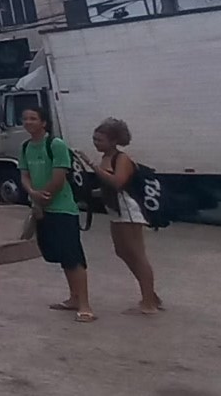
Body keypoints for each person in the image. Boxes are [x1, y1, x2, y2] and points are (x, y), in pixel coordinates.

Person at [20, 106, 93, 322]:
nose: (28, 122)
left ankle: (85, 305)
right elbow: (24, 175)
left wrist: (45, 196)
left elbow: (60, 176)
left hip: (62, 209)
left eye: (33, 118)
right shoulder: (25, 147)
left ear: (44, 122)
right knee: (60, 256)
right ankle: (73, 298)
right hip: (42, 209)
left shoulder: (55, 145)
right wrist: (33, 194)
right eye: (25, 119)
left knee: (73, 256)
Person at [92, 117, 162, 315]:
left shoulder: (121, 158)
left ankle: (148, 302)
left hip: (128, 210)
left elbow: (118, 182)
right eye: (95, 139)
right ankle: (150, 294)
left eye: (100, 140)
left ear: (114, 141)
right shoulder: (106, 157)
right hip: (115, 209)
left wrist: (93, 168)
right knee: (122, 251)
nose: (96, 143)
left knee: (137, 254)